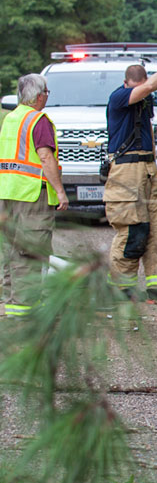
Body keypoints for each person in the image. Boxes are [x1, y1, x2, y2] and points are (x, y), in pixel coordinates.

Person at [104, 62, 157, 298]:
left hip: (147, 166)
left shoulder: (144, 100)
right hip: (126, 168)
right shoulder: (120, 96)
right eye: (141, 88)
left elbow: (147, 129)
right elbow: (151, 85)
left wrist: (153, 161)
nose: (145, 91)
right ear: (128, 84)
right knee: (133, 229)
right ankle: (120, 288)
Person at [0, 74, 68, 316]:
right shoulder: (38, 120)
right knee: (30, 247)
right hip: (31, 194)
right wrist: (60, 191)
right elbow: (45, 157)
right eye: (47, 92)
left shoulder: (10, 118)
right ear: (39, 96)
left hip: (8, 192)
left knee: (12, 247)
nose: (47, 96)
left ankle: (12, 301)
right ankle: (25, 305)